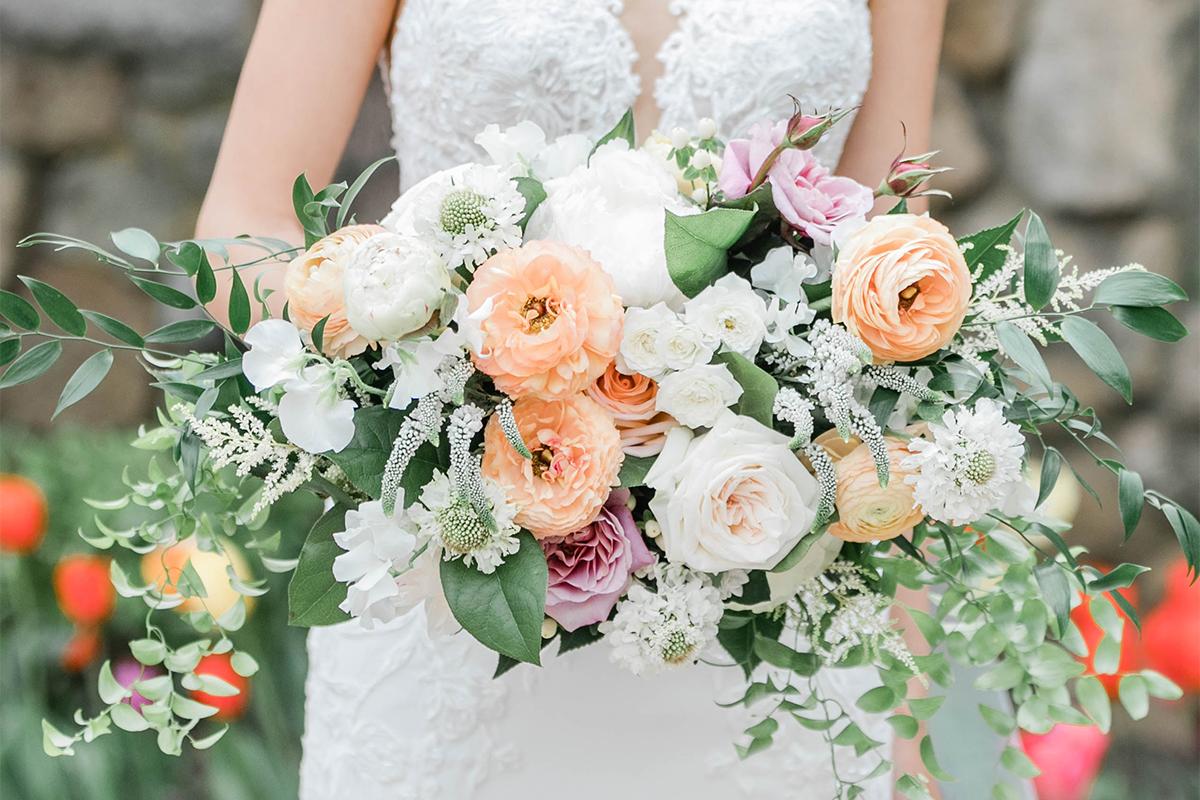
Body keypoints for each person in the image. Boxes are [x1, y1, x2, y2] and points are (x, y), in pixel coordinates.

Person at [197, 2, 947, 797]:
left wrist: (908, 704)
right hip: (462, 565)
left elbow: (889, 272)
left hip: (766, 572)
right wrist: (428, 351)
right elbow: (240, 231)